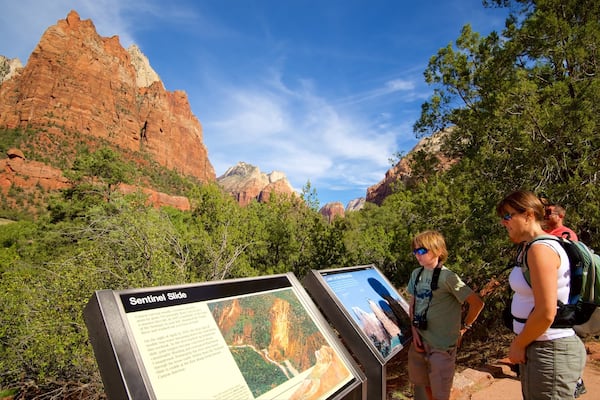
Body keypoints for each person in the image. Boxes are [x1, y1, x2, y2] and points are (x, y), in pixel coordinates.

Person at [497, 190, 586, 399]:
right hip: (541, 348)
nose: (503, 223)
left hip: (550, 350)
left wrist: (518, 344)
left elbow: (547, 311)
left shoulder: (541, 250)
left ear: (528, 215)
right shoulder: (530, 248)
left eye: (508, 216)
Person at [407, 230, 484, 400]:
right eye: (415, 251)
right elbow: (413, 303)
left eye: (422, 250)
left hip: (442, 346)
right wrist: (414, 333)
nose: (417, 255)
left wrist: (464, 329)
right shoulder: (416, 274)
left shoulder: (447, 277)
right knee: (423, 383)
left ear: (438, 251)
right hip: (420, 340)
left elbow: (477, 303)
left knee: (440, 392)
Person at [541, 201, 586, 397]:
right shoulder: (550, 235)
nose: (545, 215)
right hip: (556, 294)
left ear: (560, 216)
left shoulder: (566, 235)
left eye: (549, 212)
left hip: (564, 295)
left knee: (564, 333)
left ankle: (575, 380)